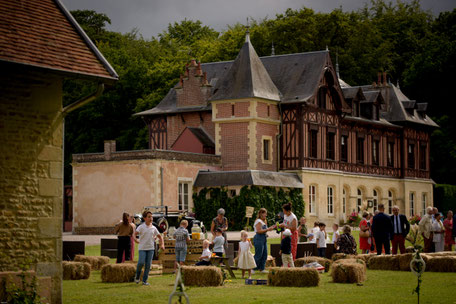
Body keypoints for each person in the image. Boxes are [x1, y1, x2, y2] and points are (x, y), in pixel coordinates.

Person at [134, 210, 165, 285]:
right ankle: (137, 277)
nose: (151, 218)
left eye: (151, 217)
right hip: (142, 248)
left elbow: (160, 237)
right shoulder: (141, 227)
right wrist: (136, 240)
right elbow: (134, 234)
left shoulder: (154, 228)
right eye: (149, 217)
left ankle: (144, 281)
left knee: (148, 265)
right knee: (141, 262)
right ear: (144, 218)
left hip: (151, 248)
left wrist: (162, 245)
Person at [253, 208, 275, 273]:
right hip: (258, 238)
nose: (266, 215)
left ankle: (262, 269)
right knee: (258, 254)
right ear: (260, 214)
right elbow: (259, 231)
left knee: (265, 254)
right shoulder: (258, 221)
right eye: (264, 213)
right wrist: (268, 229)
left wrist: (270, 229)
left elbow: (264, 230)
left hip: (264, 238)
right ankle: (252, 268)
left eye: (266, 213)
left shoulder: (264, 221)